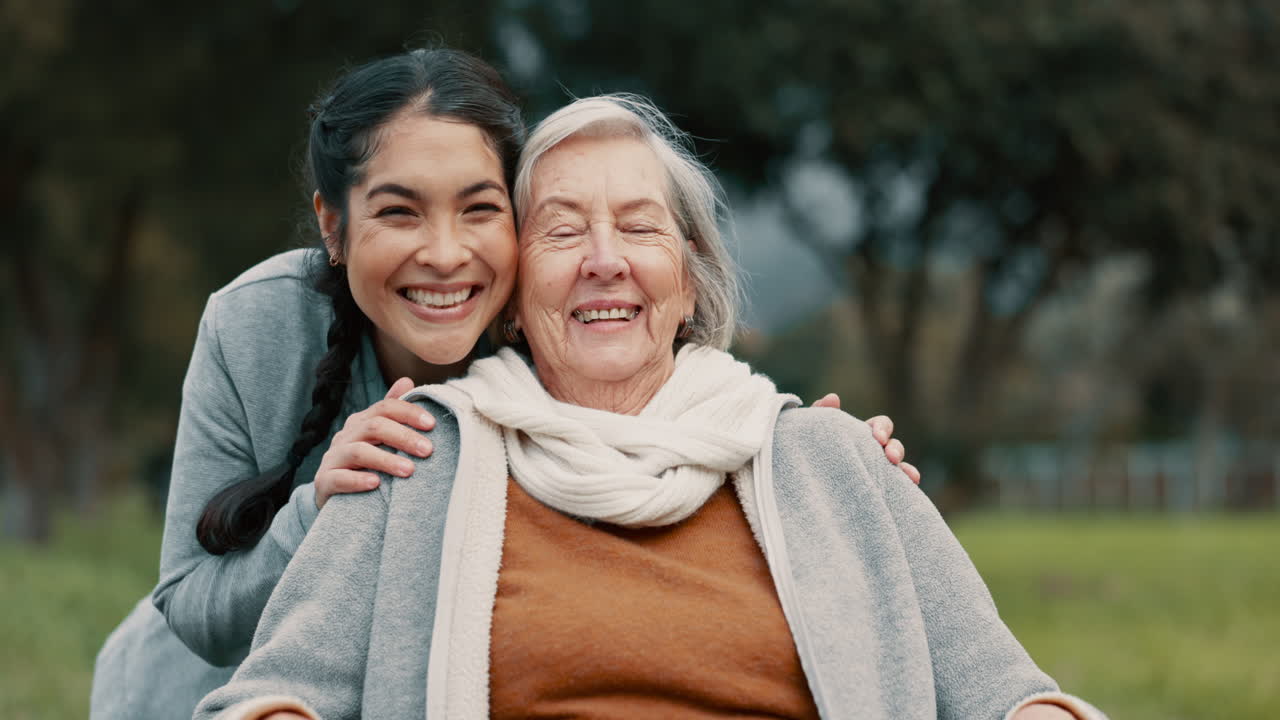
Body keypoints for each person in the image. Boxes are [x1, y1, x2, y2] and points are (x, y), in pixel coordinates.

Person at [194, 95, 1104, 720]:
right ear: (513, 293)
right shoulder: (421, 458)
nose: (604, 259)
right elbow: (278, 691)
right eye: (561, 230)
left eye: (639, 227)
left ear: (689, 279)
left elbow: (1007, 693)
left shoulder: (831, 459)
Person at [89, 50, 914, 719]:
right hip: (204, 683)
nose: (446, 254)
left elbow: (670, 373)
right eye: (400, 212)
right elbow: (191, 602)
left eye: (479, 209)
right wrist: (317, 507)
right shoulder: (255, 326)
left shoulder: (549, 323)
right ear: (334, 226)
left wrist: (811, 461)